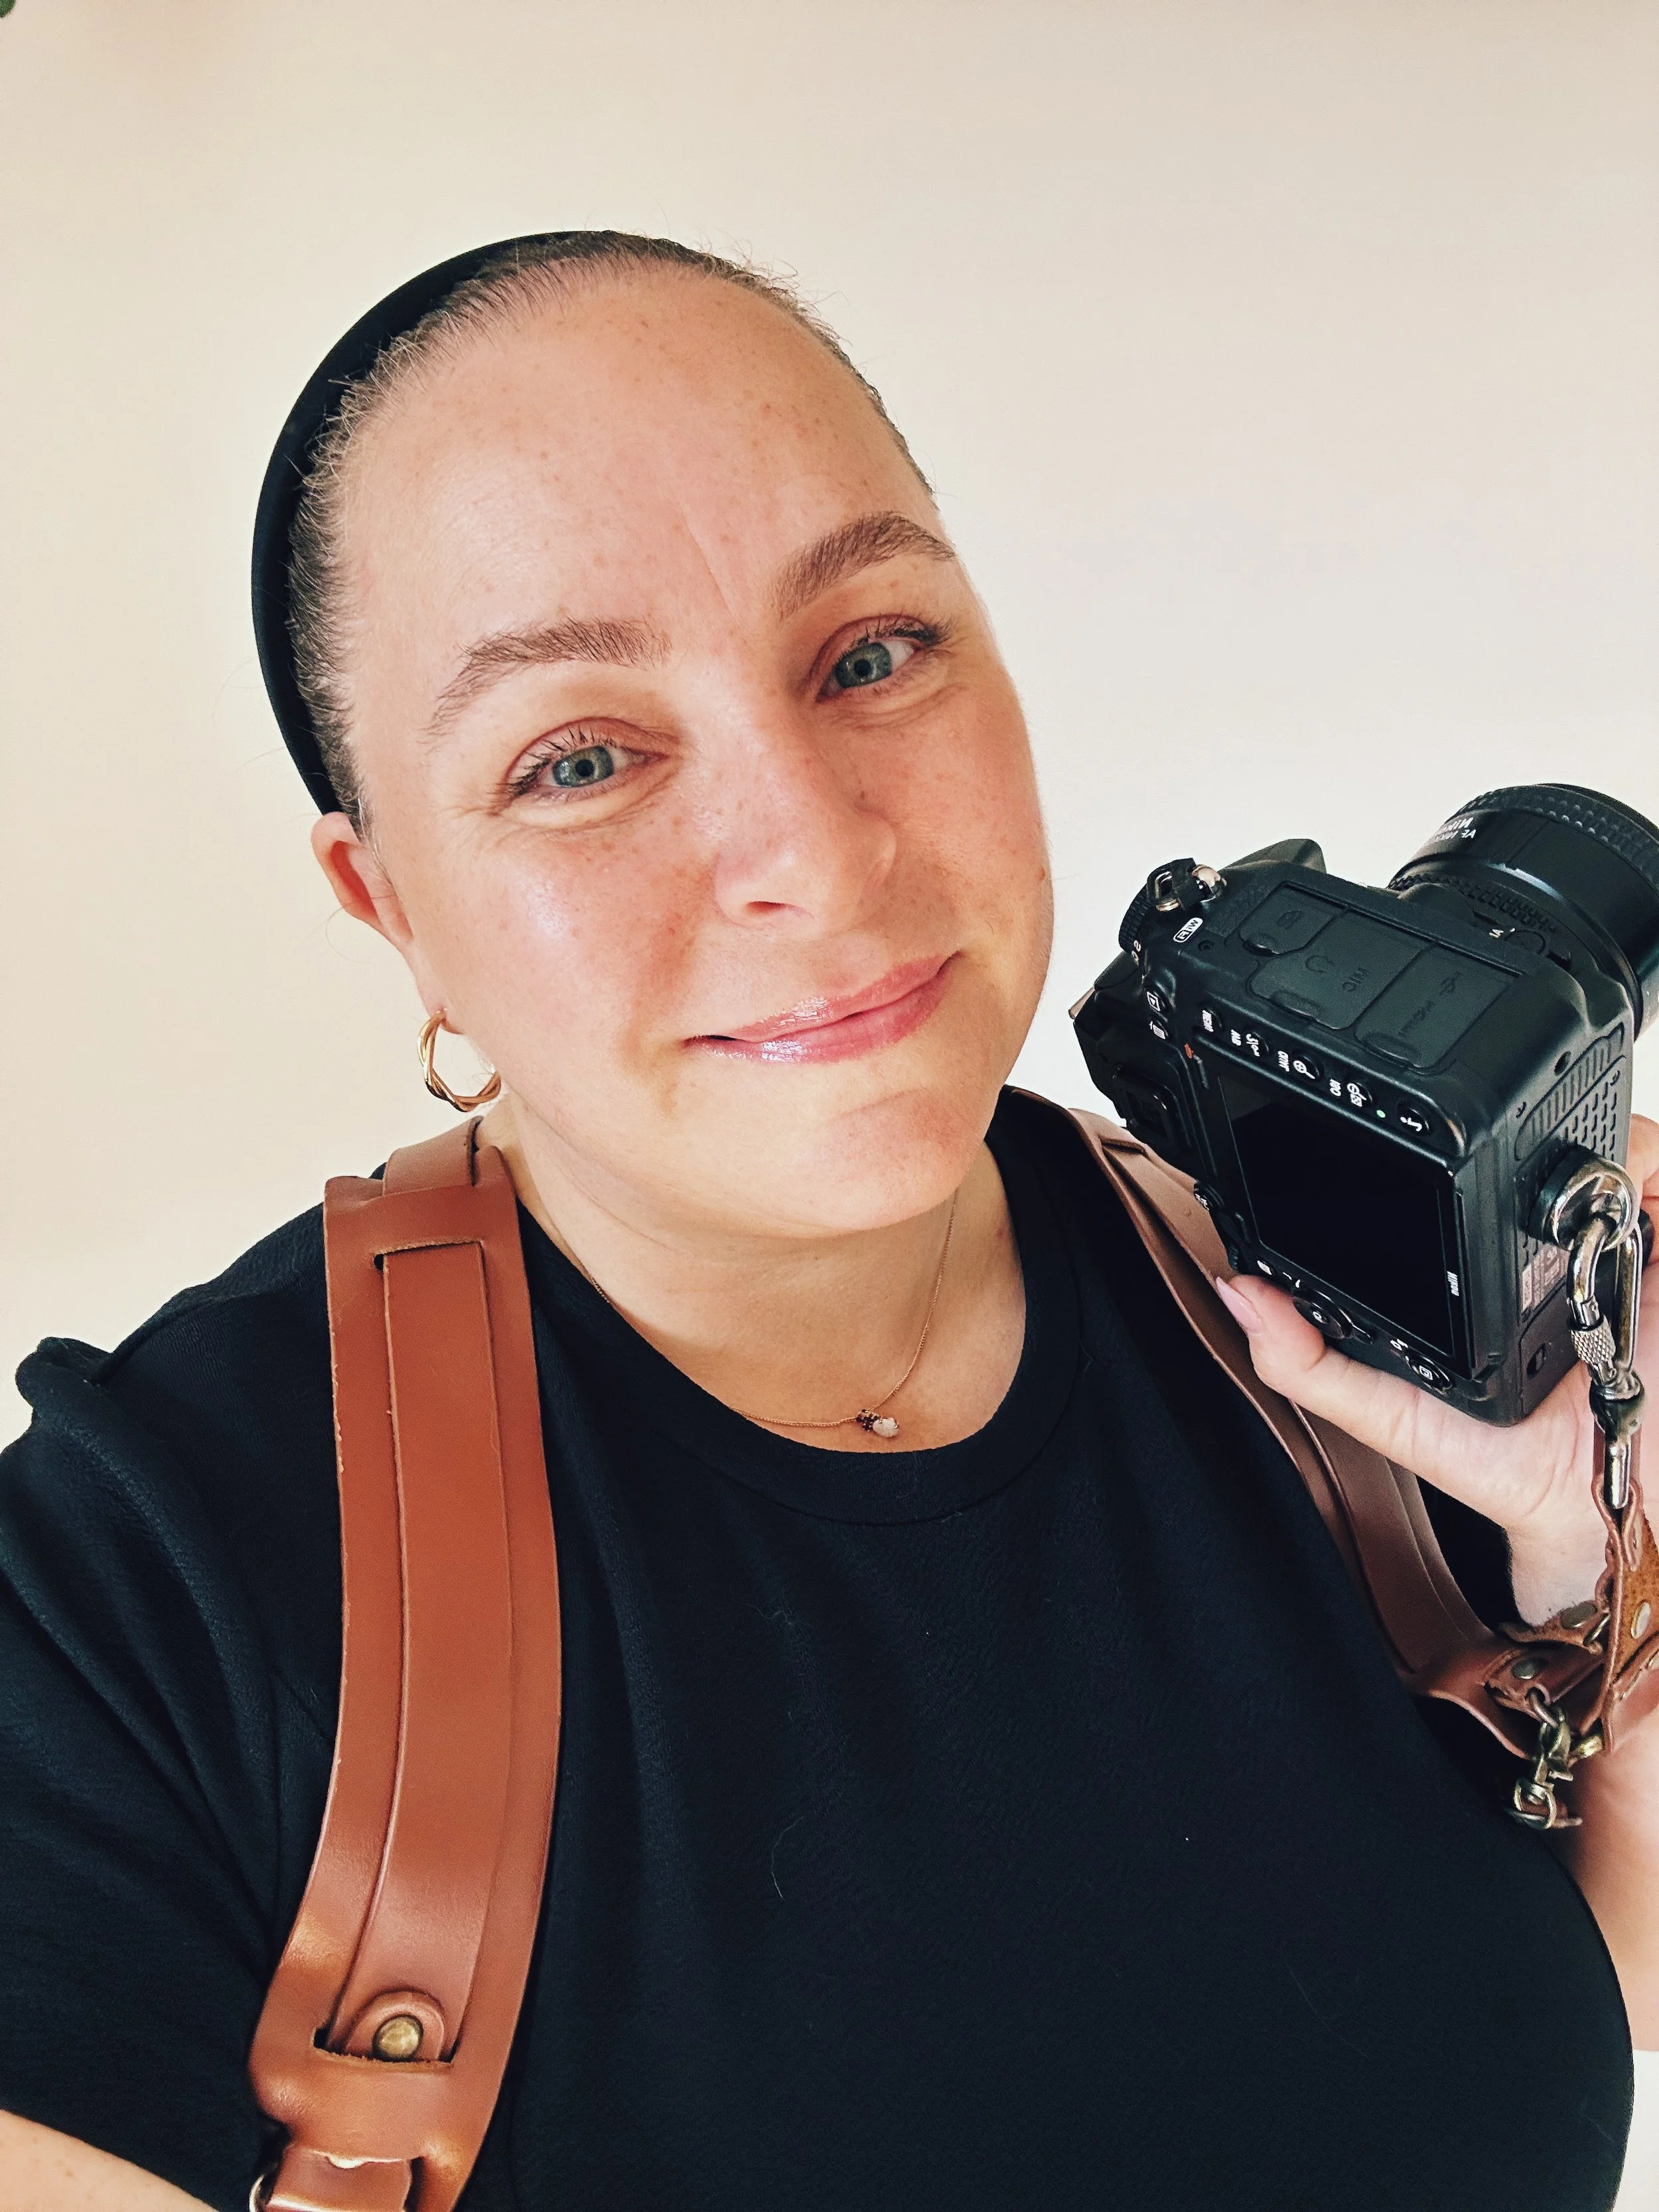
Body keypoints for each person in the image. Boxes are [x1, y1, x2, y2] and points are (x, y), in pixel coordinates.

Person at [1, 231, 1656, 2212]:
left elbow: (1564, 1983)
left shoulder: (1334, 1311)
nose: (811, 841)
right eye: (581, 757)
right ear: (392, 907)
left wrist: (1605, 1544)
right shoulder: (127, 1607)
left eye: (870, 650)